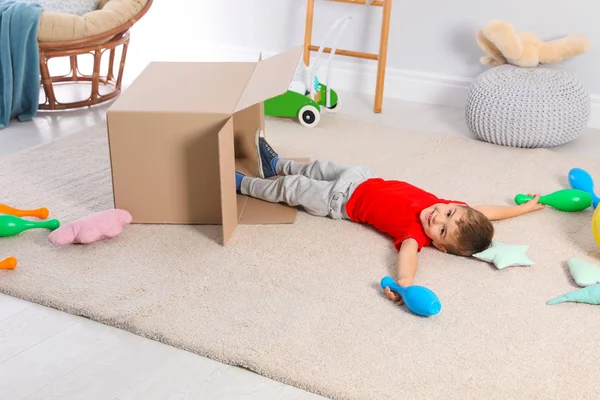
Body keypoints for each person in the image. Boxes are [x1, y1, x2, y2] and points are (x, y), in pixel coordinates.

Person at [235, 130, 545, 305]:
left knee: (295, 189)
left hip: (340, 201)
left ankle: (244, 184)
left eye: (441, 229)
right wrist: (521, 208)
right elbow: (486, 211)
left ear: (437, 243)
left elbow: (409, 257)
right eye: (449, 212)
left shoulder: (415, 234)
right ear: (456, 205)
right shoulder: (453, 207)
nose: (438, 215)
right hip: (361, 178)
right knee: (315, 167)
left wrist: (404, 283)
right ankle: (275, 164)